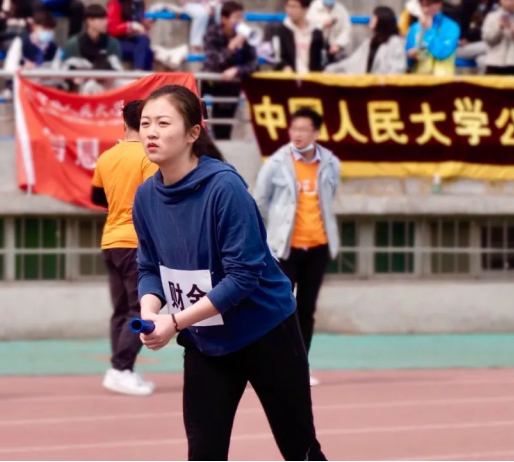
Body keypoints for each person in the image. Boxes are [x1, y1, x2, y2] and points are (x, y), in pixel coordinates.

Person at [134, 85, 326, 461]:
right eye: (145, 123)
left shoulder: (224, 188)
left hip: (266, 332)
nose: (151, 132)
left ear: (193, 133)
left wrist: (175, 321)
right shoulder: (145, 197)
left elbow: (242, 277)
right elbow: (149, 267)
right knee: (204, 452)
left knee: (299, 449)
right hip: (206, 340)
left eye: (163, 123)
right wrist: (150, 312)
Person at [253, 108, 341, 389]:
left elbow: (330, 196)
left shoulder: (330, 163)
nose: (297, 134)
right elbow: (260, 201)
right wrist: (265, 239)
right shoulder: (276, 163)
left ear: (316, 133)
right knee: (279, 308)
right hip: (284, 250)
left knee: (306, 310)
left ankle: (300, 366)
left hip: (318, 247)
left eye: (304, 129)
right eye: (294, 129)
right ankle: (273, 365)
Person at [92, 101, 158, 397]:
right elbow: (154, 198)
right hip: (136, 243)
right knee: (139, 308)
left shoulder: (107, 157)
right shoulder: (147, 155)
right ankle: (120, 369)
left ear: (124, 123)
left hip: (111, 240)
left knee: (121, 310)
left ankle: (123, 368)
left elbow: (97, 197)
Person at [202, 1, 258, 140]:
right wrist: (231, 48)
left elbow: (254, 64)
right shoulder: (212, 33)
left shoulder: (245, 37)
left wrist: (238, 69)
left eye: (242, 17)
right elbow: (214, 62)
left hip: (229, 87)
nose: (241, 21)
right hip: (209, 82)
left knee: (223, 132)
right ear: (224, 19)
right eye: (237, 17)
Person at [326, 6, 407, 75]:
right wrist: (332, 68)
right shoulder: (371, 42)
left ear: (382, 21)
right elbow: (353, 61)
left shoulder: (395, 42)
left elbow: (397, 68)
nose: (371, 20)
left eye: (374, 18)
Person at [406, 0, 461, 76]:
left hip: (443, 79)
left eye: (429, 5)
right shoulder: (415, 27)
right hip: (418, 79)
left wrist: (429, 31)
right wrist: (410, 56)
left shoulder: (451, 26)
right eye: (422, 5)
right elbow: (407, 61)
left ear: (439, 4)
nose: (425, 9)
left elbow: (442, 53)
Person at [62, 4, 123, 71]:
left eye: (106, 19)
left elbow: (117, 70)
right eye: (101, 19)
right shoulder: (73, 44)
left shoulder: (112, 43)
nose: (106, 22)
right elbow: (66, 71)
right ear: (89, 21)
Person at [272, 0, 326, 73]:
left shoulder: (316, 33)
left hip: (311, 77)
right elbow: (278, 56)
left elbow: (321, 59)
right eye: (288, 6)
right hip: (289, 77)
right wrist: (285, 67)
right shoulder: (281, 30)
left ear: (305, 9)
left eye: (294, 7)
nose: (290, 10)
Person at [107, 0, 154, 70]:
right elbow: (112, 29)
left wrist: (146, 25)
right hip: (117, 41)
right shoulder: (115, 3)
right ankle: (139, 71)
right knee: (147, 53)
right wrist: (130, 26)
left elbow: (140, 27)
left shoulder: (139, 4)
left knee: (144, 41)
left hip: (132, 39)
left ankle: (139, 72)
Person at [457, 0, 497, 68]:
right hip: (462, 47)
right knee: (491, 46)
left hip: (481, 47)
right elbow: (462, 32)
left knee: (482, 60)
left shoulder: (495, 5)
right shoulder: (467, 4)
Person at [482, 0, 514, 75]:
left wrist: (512, 29)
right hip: (494, 63)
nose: (510, 2)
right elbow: (488, 40)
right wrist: (500, 27)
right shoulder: (492, 16)